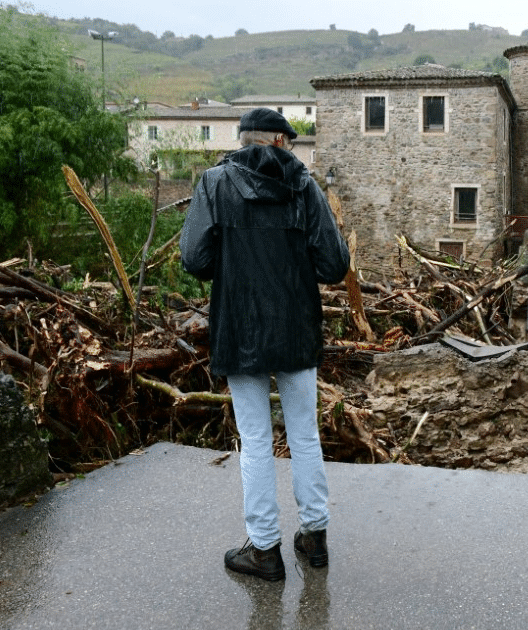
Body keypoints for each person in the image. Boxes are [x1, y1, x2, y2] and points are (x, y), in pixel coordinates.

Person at [180, 108, 350, 579]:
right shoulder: (305, 186)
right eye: (290, 142)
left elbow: (193, 258)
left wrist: (232, 264)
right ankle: (314, 538)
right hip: (297, 326)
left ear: (244, 140)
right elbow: (335, 266)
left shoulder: (215, 184)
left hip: (239, 325)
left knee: (255, 440)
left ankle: (264, 550)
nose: (292, 150)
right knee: (305, 434)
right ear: (277, 139)